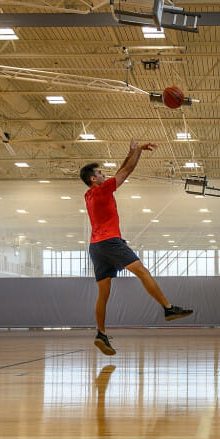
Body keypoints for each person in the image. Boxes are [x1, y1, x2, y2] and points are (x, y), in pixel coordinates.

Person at [80, 140, 193, 356]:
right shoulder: (103, 191)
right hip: (111, 242)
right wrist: (138, 152)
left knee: (103, 294)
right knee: (142, 272)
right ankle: (168, 308)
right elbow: (127, 170)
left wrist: (131, 151)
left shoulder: (89, 195)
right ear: (93, 179)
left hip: (95, 247)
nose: (105, 174)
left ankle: (101, 333)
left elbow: (121, 169)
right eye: (100, 172)